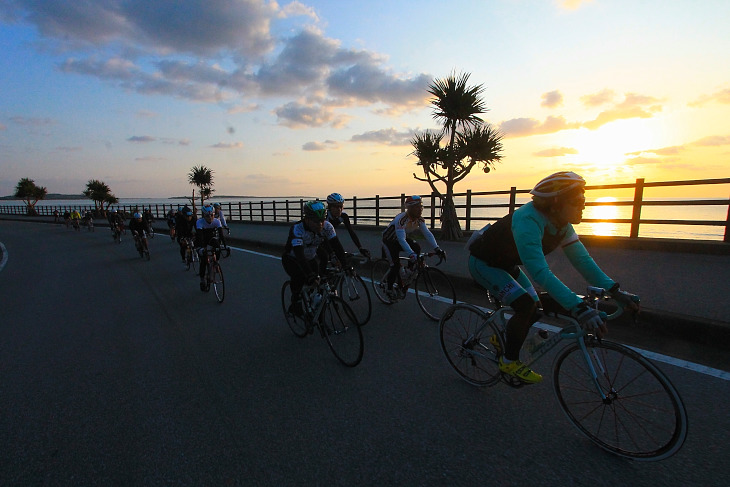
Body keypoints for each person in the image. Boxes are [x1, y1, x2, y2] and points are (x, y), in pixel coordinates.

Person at [467, 171, 640, 384]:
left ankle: (502, 339)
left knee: (536, 308)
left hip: (507, 266)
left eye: (584, 200)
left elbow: (583, 261)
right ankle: (509, 360)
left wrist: (615, 291)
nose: (583, 206)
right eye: (577, 201)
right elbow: (539, 271)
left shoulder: (561, 224)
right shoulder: (527, 220)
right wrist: (577, 307)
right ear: (556, 202)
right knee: (525, 305)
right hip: (483, 264)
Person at [282, 200, 349, 316]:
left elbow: (337, 246)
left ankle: (312, 308)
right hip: (292, 259)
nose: (320, 225)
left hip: (311, 257)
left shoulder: (327, 226)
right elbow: (299, 255)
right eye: (316, 221)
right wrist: (309, 275)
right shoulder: (297, 229)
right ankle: (295, 303)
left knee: (317, 284)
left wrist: (345, 264)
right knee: (300, 277)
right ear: (307, 219)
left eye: (322, 220)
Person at [381, 195, 446, 300]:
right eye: (417, 207)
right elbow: (401, 239)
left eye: (421, 206)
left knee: (417, 247)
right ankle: (389, 288)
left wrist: (437, 249)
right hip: (389, 241)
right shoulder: (401, 219)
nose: (420, 209)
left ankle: (407, 274)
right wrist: (411, 255)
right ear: (410, 208)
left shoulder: (419, 220)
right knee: (395, 266)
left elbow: (427, 234)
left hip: (400, 240)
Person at [325, 193, 370, 260]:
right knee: (325, 257)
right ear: (329, 207)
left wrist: (360, 248)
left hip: (330, 236)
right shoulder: (325, 217)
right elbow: (324, 237)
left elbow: (351, 232)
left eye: (341, 206)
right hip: (320, 237)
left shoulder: (343, 216)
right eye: (336, 207)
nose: (339, 209)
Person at [195, 205, 223, 291]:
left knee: (217, 245)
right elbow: (199, 237)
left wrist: (225, 247)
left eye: (212, 215)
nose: (210, 217)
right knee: (203, 260)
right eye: (207, 215)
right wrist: (200, 248)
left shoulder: (216, 221)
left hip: (211, 239)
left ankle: (216, 263)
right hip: (202, 240)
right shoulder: (199, 222)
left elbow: (221, 235)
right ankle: (202, 280)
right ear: (203, 215)